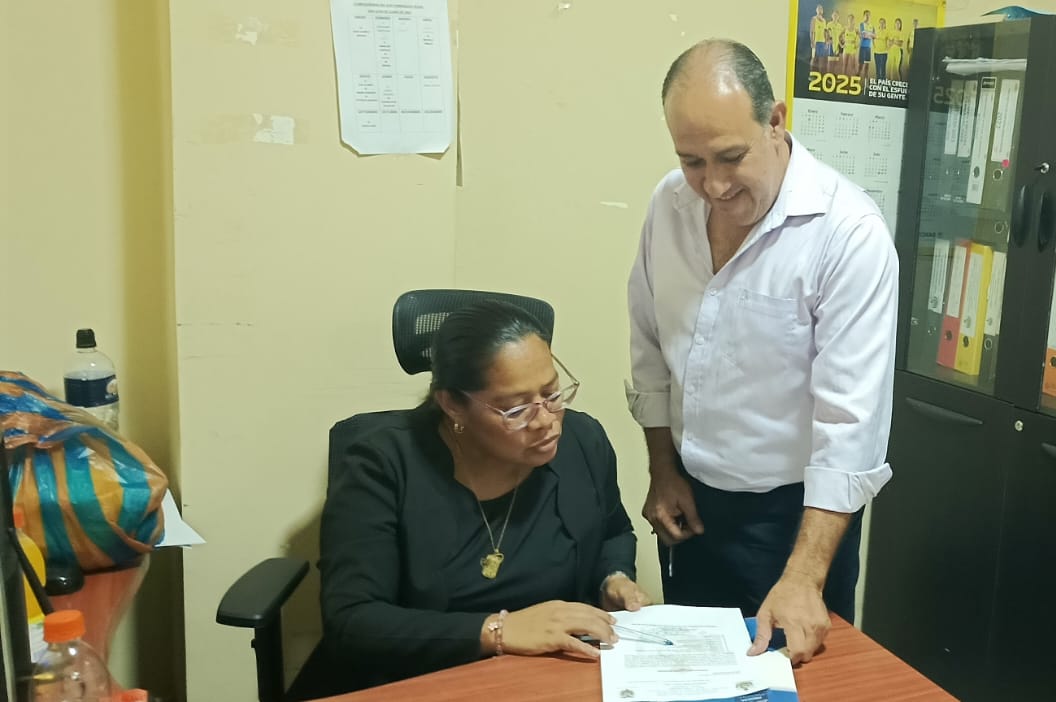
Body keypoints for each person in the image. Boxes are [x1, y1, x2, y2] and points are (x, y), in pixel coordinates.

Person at [626, 39, 897, 664]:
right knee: (689, 674)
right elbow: (649, 344)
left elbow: (850, 425)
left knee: (791, 681)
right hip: (691, 501)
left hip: (796, 521)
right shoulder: (669, 206)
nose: (714, 185)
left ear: (775, 121)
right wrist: (662, 468)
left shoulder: (847, 233)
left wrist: (804, 575)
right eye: (692, 161)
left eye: (730, 157)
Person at [288, 300, 647, 699]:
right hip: (420, 681)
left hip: (546, 677)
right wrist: (499, 630)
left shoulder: (582, 441)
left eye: (552, 393)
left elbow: (613, 530)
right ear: (452, 405)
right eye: (516, 409)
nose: (547, 421)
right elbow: (353, 622)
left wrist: (613, 577)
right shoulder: (382, 464)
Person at [808, 4, 829, 73]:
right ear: (816, 10)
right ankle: (812, 73)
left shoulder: (824, 20)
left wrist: (826, 42)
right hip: (816, 41)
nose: (820, 10)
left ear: (822, 11)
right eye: (819, 9)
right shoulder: (814, 19)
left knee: (821, 59)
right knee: (814, 58)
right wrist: (812, 42)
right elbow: (811, 31)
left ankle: (820, 73)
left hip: (822, 42)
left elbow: (825, 32)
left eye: (821, 9)